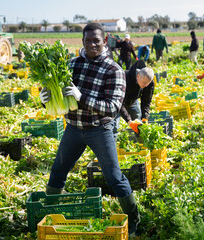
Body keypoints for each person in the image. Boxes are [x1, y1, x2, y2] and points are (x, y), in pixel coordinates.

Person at [39, 23, 140, 237]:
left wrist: (81, 97)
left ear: (104, 42)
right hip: (74, 129)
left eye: (96, 40)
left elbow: (112, 108)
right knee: (58, 171)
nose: (92, 44)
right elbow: (57, 93)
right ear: (82, 42)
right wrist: (44, 99)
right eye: (88, 40)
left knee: (114, 177)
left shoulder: (114, 70)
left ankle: (133, 220)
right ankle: (51, 216)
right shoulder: (71, 64)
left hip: (100, 130)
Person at [113, 60, 154, 138]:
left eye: (148, 83)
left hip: (132, 100)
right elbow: (119, 103)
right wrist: (129, 121)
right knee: (114, 126)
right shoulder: (124, 78)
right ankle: (113, 147)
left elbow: (146, 100)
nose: (146, 85)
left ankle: (141, 144)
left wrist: (145, 117)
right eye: (144, 83)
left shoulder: (148, 83)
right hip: (116, 102)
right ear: (138, 76)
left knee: (138, 122)